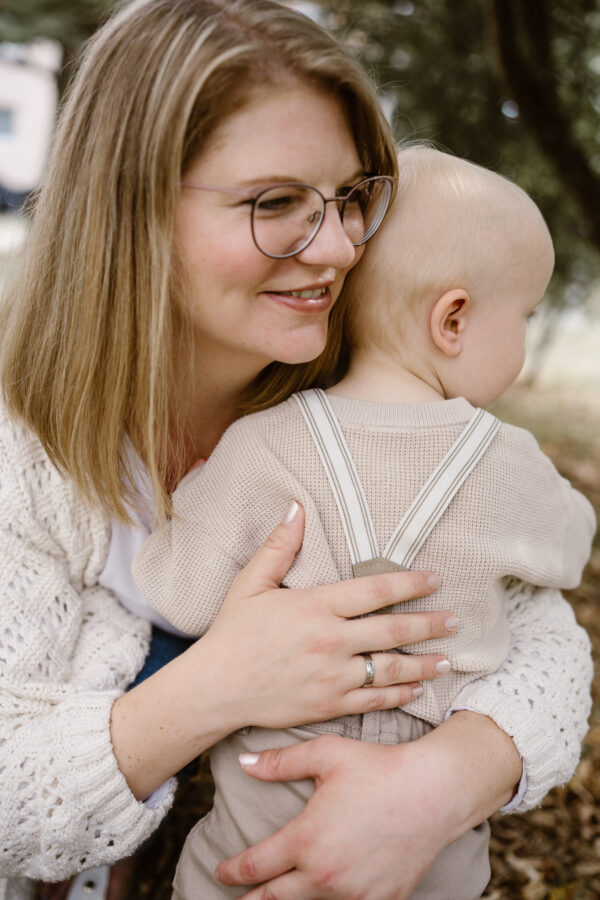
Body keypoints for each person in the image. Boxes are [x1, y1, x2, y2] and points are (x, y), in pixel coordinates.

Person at [0, 0, 592, 895]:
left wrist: (441, 781)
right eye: (276, 203)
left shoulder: (358, 393)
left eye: (353, 197)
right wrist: (225, 682)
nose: (341, 246)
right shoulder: (22, 446)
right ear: (130, 206)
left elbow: (543, 639)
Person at [134, 145, 596, 898]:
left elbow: (176, 589)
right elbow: (569, 553)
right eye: (527, 316)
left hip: (253, 856)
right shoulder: (509, 463)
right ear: (454, 319)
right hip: (426, 861)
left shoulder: (258, 444)